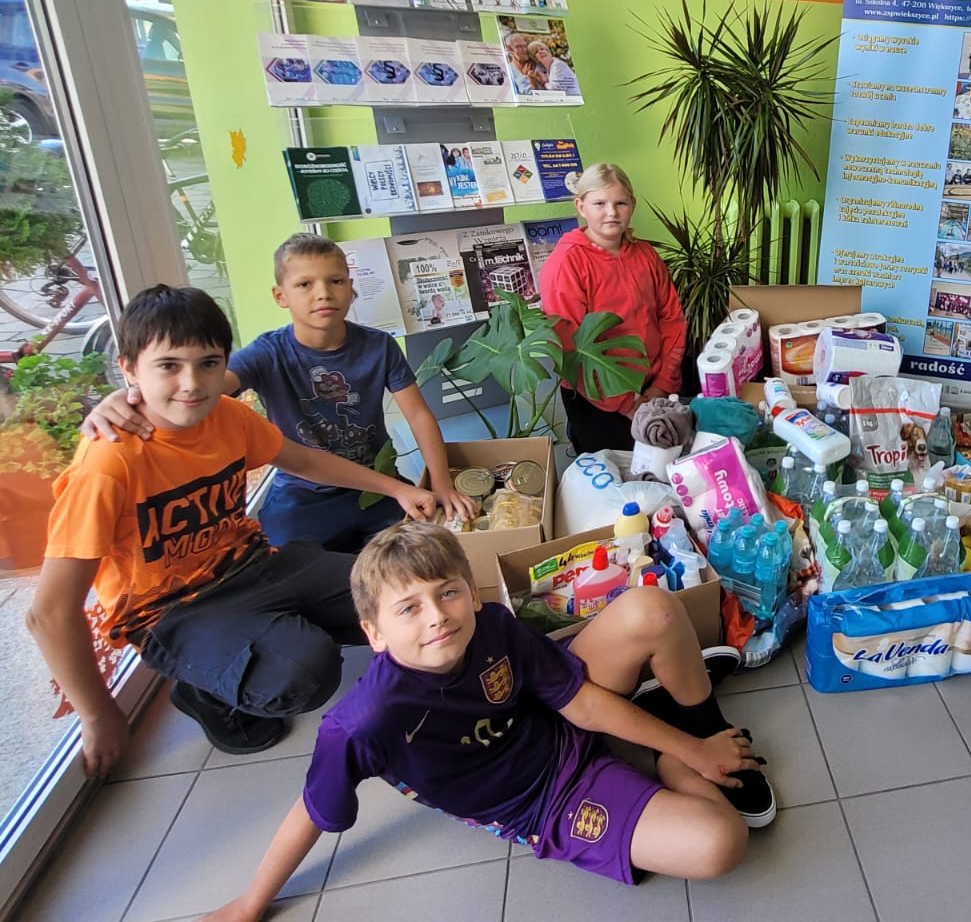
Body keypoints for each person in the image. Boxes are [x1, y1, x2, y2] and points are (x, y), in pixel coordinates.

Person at [198, 523, 774, 920]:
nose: (436, 617)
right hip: (544, 802)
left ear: (471, 595)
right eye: (408, 608)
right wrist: (251, 904)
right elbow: (314, 810)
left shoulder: (493, 624)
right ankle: (668, 746)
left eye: (447, 593)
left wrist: (695, 748)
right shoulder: (361, 723)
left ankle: (696, 732)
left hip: (556, 719)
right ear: (373, 634)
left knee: (652, 608)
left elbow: (579, 702)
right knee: (720, 844)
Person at [29, 285, 437, 766]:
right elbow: (49, 613)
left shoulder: (229, 416)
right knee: (307, 672)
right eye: (168, 366)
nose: (191, 383)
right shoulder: (107, 463)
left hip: (254, 567)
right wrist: (98, 715)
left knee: (405, 594)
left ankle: (268, 638)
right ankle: (206, 694)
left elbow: (305, 460)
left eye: (208, 363)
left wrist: (397, 489)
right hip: (171, 611)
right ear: (129, 369)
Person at [83, 234, 479, 551]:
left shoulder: (379, 346)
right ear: (280, 296)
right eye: (305, 284)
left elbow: (419, 416)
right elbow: (205, 388)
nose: (323, 293)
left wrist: (441, 484)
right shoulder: (267, 353)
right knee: (294, 572)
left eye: (335, 281)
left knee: (415, 562)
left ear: (351, 288)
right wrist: (132, 395)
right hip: (301, 495)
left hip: (377, 487)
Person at [539, 163, 687, 454]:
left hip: (654, 387)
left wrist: (661, 385)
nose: (612, 212)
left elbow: (672, 319)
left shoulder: (645, 254)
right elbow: (571, 349)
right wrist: (628, 403)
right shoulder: (566, 263)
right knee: (617, 474)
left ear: (632, 205)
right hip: (598, 400)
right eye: (600, 204)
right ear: (580, 206)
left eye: (621, 203)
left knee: (664, 468)